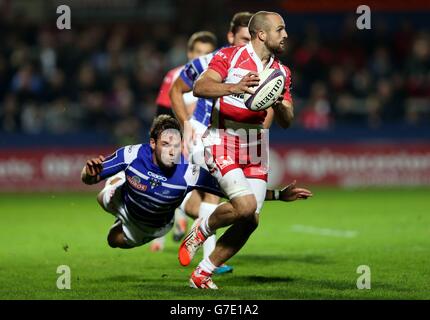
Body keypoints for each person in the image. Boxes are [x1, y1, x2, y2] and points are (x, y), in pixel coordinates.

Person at [178, 11, 295, 289]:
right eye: (280, 29)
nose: (286, 35)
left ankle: (202, 273)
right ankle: (202, 229)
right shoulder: (229, 56)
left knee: (250, 220)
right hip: (222, 140)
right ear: (262, 34)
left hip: (255, 147)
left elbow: (288, 120)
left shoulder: (282, 72)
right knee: (245, 206)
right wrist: (234, 86)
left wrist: (279, 105)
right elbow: (200, 86)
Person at [81, 115, 311, 255]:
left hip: (152, 224)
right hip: (123, 201)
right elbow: (89, 176)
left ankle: (173, 214)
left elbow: (236, 192)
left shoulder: (189, 173)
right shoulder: (131, 154)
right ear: (152, 143)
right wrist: (89, 174)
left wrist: (279, 195)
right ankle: (117, 185)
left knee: (113, 242)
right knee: (102, 195)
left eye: (176, 144)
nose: (172, 150)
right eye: (165, 144)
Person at [151, 31, 217, 251]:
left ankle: (191, 229)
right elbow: (161, 112)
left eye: (207, 53)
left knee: (208, 196)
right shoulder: (176, 76)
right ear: (190, 53)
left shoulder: (219, 76)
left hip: (207, 144)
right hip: (181, 144)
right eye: (198, 52)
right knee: (181, 192)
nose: (201, 56)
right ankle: (167, 230)